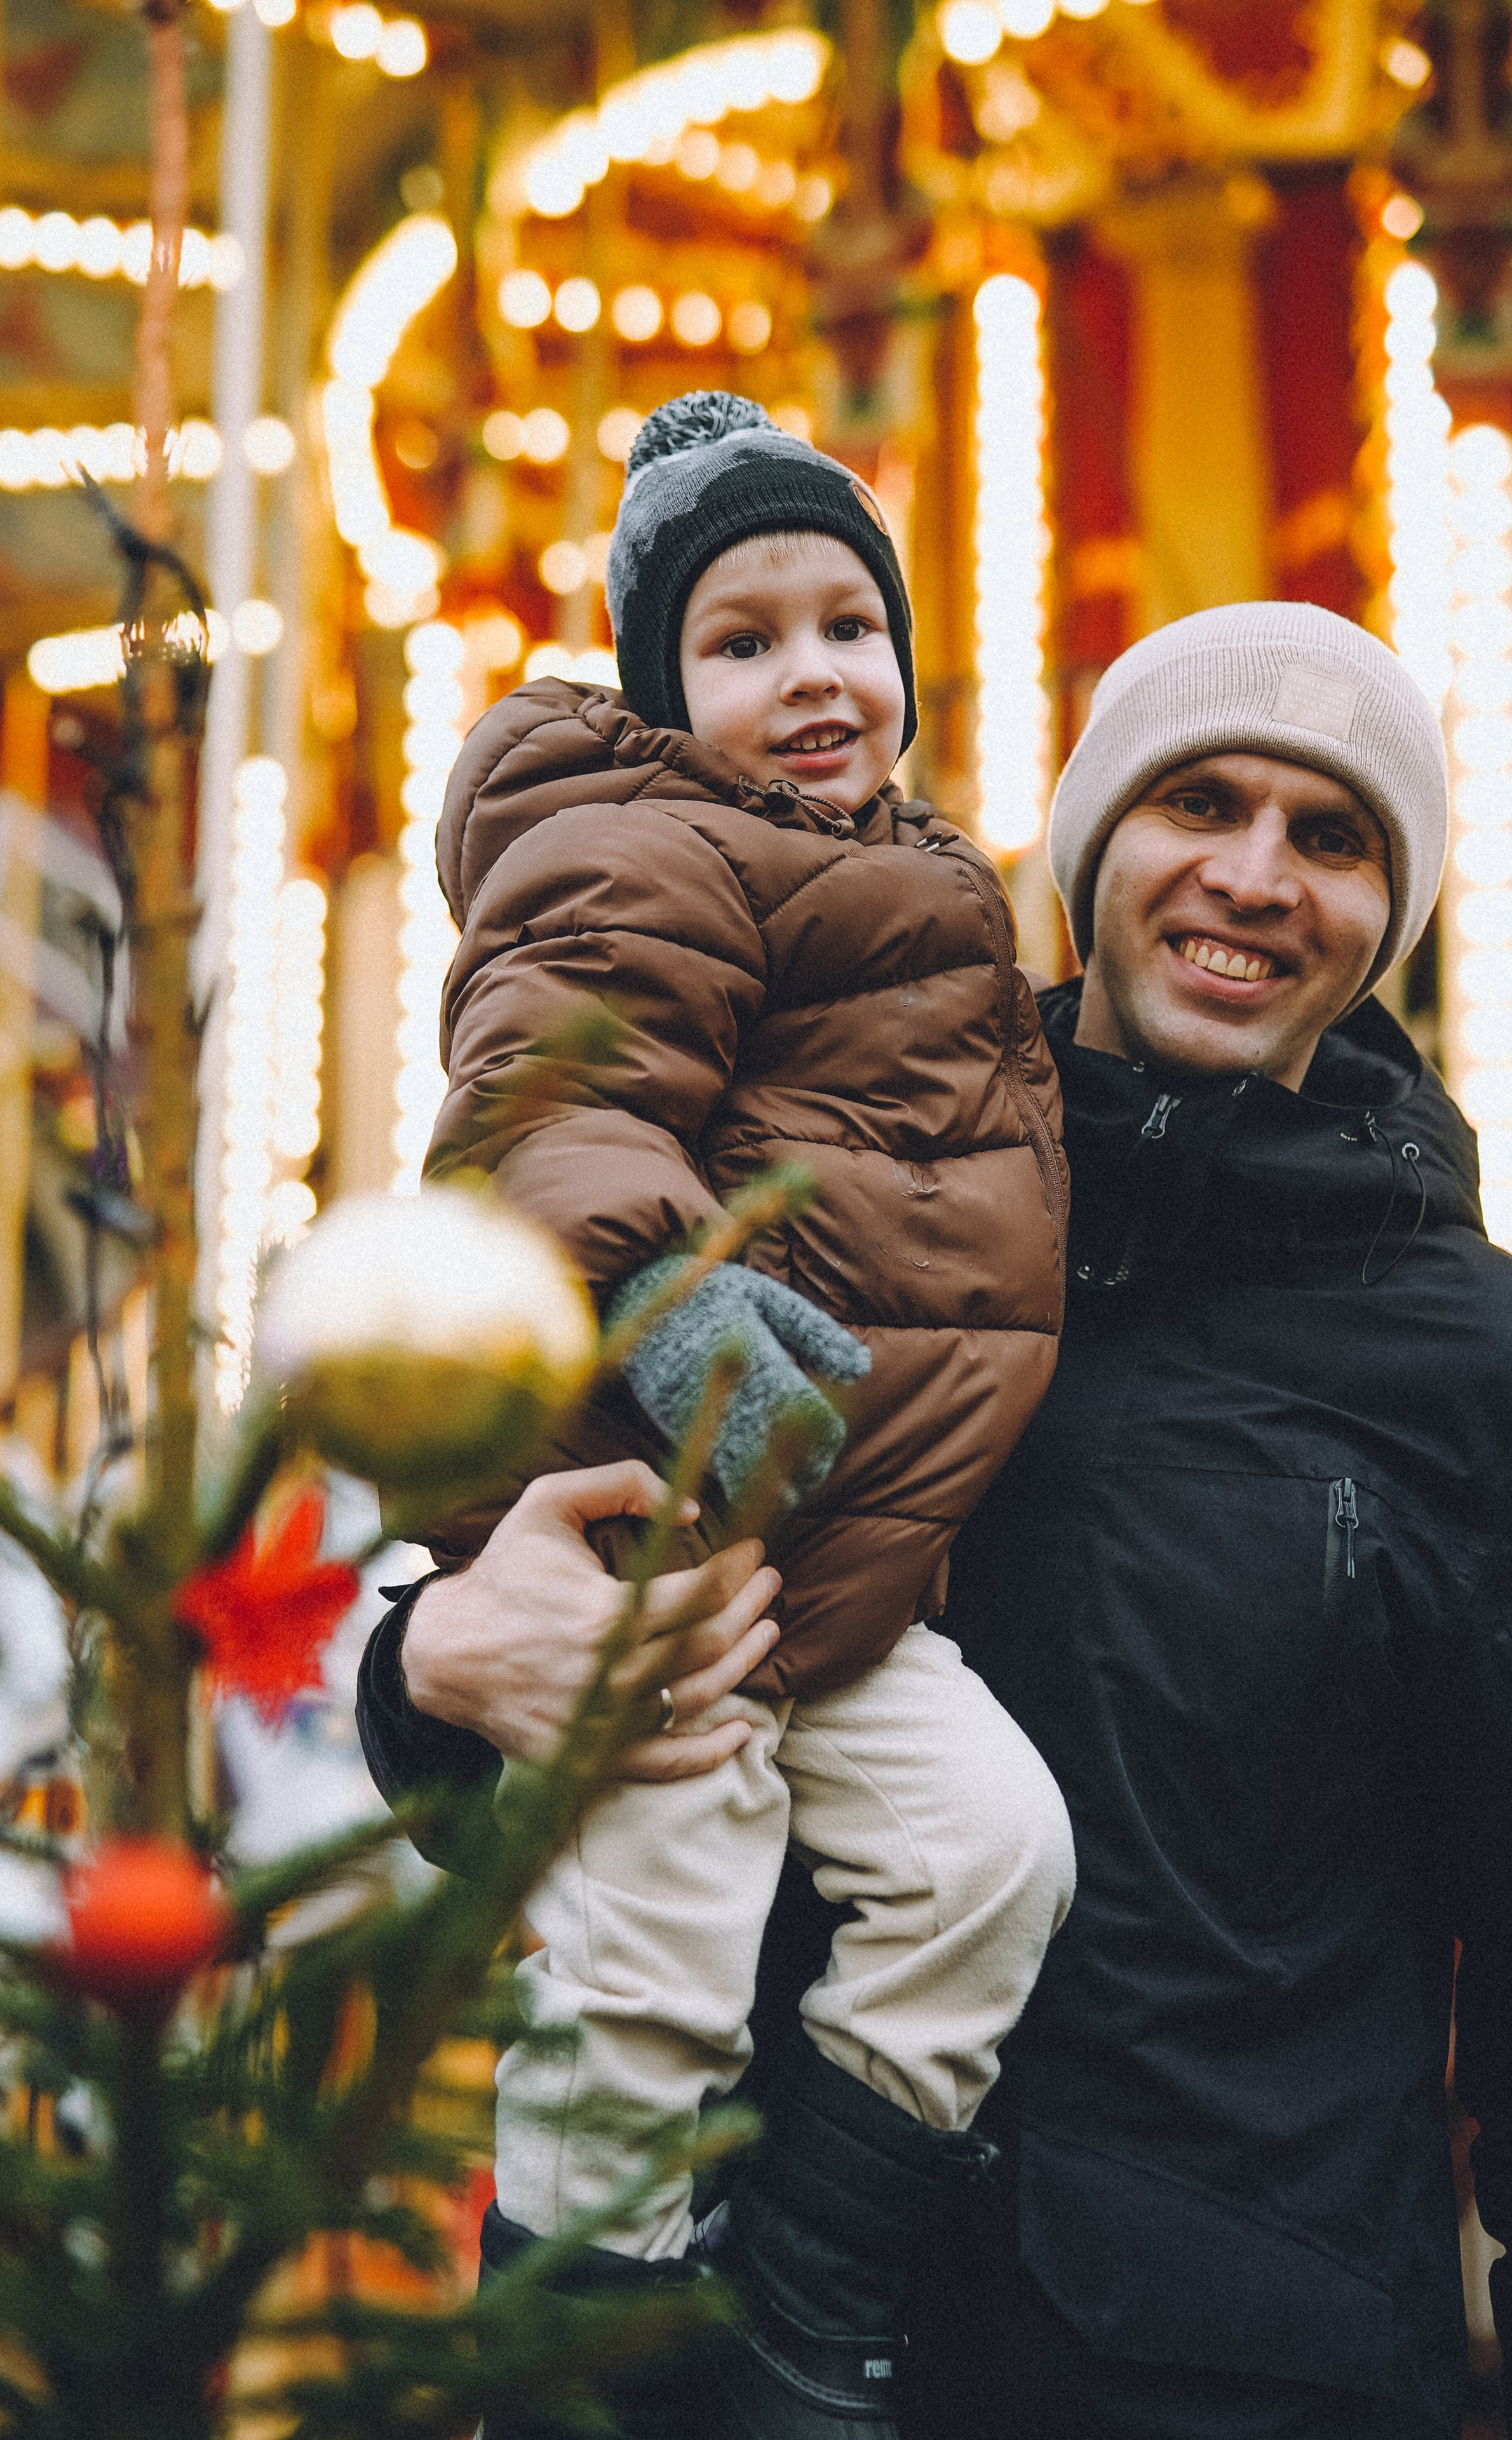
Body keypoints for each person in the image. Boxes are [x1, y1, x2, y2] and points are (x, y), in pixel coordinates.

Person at [363, 597, 1512, 2439]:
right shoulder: (842, 1186)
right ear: (1086, 853)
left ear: (1394, 909)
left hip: (1222, 2359)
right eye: (1195, 802)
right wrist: (426, 1662)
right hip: (739, 2339)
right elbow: (522, 1550)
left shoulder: (1459, 1358)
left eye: (1334, 836)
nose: (1254, 875)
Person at [409, 390, 1076, 2437]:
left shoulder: (924, 877)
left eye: (847, 628)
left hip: (830, 1568)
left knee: (995, 1850)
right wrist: (671, 1300)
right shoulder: (636, 843)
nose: (813, 677)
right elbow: (545, 1107)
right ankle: (577, 2352)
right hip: (655, 1527)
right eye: (744, 638)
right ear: (656, 685)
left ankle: (813, 2298)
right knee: (659, 1950)